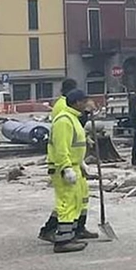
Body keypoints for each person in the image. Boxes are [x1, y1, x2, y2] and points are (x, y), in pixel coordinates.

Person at [46, 89, 93, 253]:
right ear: (77, 103)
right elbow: (61, 148)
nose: (87, 104)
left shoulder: (73, 119)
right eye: (85, 101)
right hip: (64, 167)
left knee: (77, 201)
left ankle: (71, 234)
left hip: (74, 165)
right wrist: (66, 168)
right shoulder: (64, 121)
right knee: (66, 202)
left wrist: (81, 164)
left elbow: (75, 146)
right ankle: (63, 241)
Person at [37, 78, 80, 243]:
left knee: (71, 200)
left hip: (71, 160)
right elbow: (62, 142)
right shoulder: (64, 110)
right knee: (66, 201)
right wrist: (66, 166)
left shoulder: (61, 106)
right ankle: (62, 235)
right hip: (64, 162)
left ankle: (64, 231)